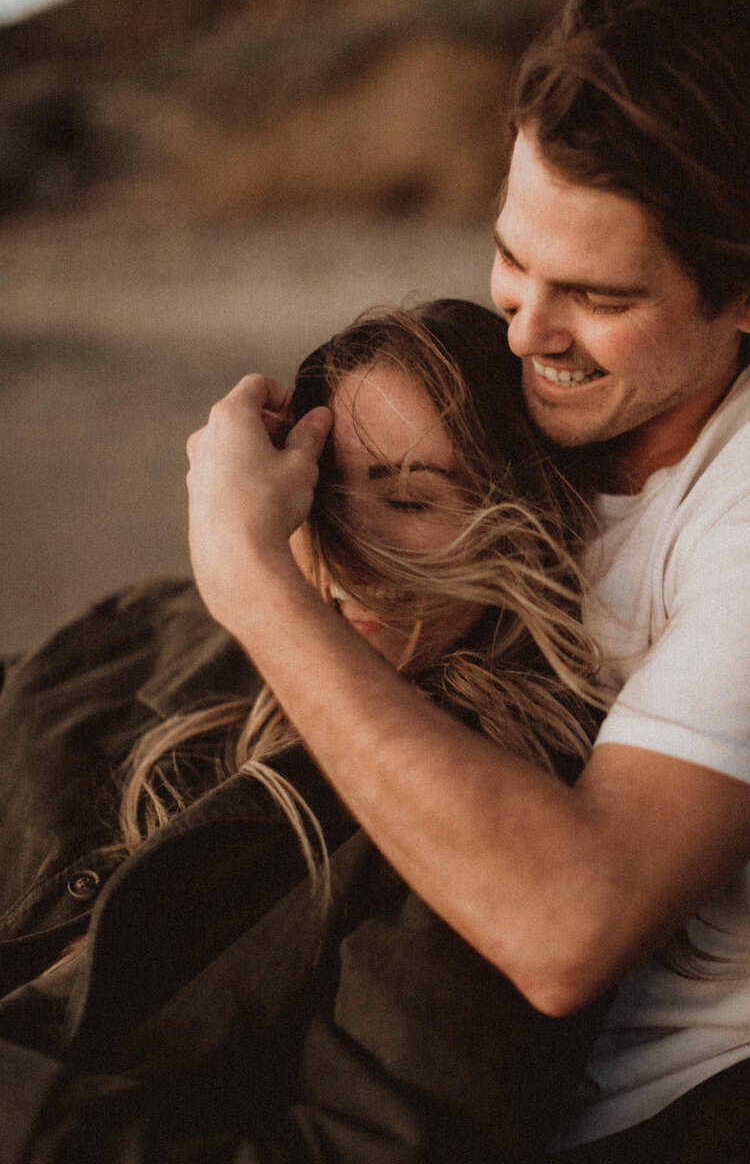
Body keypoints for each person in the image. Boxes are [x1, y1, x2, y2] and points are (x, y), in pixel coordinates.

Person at [183, 0, 750, 1161]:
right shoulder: (575, 417)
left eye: (596, 296)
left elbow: (566, 926)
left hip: (679, 1105)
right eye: (513, 258)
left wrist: (249, 581)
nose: (524, 331)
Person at [0, 300, 607, 1162]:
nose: (347, 550)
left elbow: (374, 1147)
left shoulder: (488, 822)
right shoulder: (145, 633)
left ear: (531, 520)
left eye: (407, 500)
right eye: (316, 492)